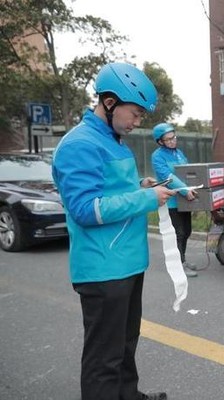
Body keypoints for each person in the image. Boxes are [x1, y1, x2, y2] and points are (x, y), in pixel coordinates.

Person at [52, 62, 172, 400]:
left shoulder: (112, 140)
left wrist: (139, 186)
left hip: (126, 262)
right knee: (103, 359)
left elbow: (109, 190)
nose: (137, 123)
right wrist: (145, 197)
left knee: (125, 345)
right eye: (134, 114)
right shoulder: (80, 144)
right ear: (109, 103)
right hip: (103, 268)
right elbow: (86, 209)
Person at [151, 122, 198, 278]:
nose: (173, 141)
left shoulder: (179, 153)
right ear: (160, 141)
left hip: (184, 200)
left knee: (187, 231)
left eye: (174, 137)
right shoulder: (157, 156)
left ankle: (182, 260)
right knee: (179, 233)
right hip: (171, 201)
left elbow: (187, 173)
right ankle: (178, 266)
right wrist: (185, 190)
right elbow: (168, 177)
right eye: (168, 139)